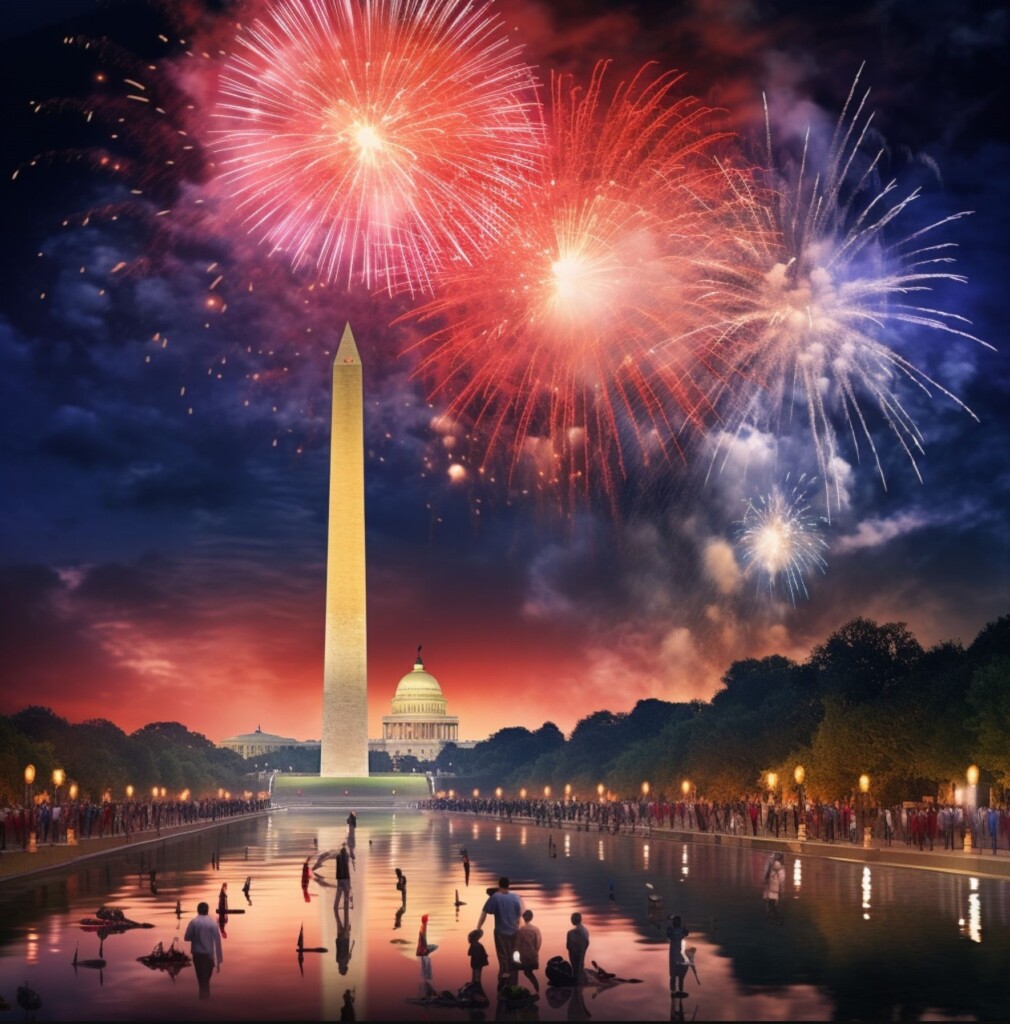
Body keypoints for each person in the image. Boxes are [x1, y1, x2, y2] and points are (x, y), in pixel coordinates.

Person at [475, 876, 522, 991]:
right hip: (514, 932)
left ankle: (503, 984)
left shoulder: (495, 897)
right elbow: (519, 917)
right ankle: (514, 985)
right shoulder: (516, 897)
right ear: (508, 885)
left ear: (499, 885)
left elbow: (484, 913)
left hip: (500, 933)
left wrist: (478, 928)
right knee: (513, 958)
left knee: (503, 958)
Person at [184, 901, 223, 999]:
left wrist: (197, 936)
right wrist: (218, 961)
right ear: (207, 910)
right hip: (209, 955)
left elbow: (187, 937)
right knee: (205, 980)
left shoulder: (193, 922)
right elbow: (217, 942)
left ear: (198, 910)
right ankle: (205, 1001)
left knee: (201, 979)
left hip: (197, 955)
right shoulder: (212, 923)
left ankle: (203, 1001)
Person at [515, 909, 542, 992]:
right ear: (531, 918)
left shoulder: (520, 930)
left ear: (523, 917)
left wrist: (516, 959)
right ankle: (537, 989)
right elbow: (538, 943)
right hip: (532, 956)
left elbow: (517, 946)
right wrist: (534, 952)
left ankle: (514, 989)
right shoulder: (536, 929)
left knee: (513, 970)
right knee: (528, 972)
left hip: (523, 957)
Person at [666, 915, 690, 996]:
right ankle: (673, 991)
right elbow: (669, 935)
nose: (675, 922)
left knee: (681, 973)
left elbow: (686, 933)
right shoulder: (671, 929)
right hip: (673, 953)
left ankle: (680, 990)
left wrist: (684, 930)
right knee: (673, 973)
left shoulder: (681, 929)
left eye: (677, 921)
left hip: (679, 953)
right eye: (674, 921)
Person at [566, 912, 590, 985]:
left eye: (571, 919)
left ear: (574, 919)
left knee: (576, 969)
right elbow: (586, 943)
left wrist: (572, 948)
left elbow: (568, 946)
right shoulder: (585, 930)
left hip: (575, 953)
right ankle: (583, 984)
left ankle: (578, 988)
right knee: (580, 967)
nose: (571, 920)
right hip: (580, 951)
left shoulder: (572, 933)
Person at [763, 852, 786, 923]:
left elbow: (768, 875)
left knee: (771, 904)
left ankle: (775, 918)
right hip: (774, 888)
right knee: (772, 904)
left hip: (772, 887)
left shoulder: (773, 865)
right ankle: (774, 918)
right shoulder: (779, 866)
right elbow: (782, 878)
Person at [336, 843, 352, 912]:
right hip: (346, 878)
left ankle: (335, 909)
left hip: (339, 879)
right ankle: (346, 910)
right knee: (346, 895)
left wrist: (343, 846)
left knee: (338, 896)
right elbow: (350, 856)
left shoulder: (338, 857)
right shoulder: (347, 857)